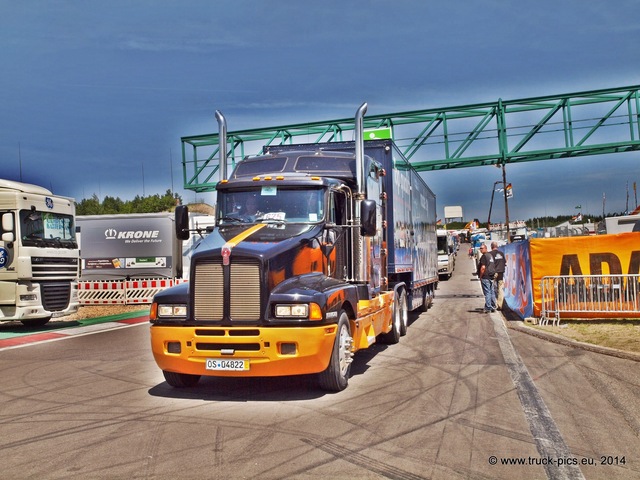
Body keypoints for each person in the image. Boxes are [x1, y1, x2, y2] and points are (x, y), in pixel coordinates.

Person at [477, 244, 496, 313]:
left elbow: (483, 268)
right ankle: (493, 305)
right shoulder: (490, 256)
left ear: (485, 248)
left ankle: (488, 307)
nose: (481, 250)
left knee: (487, 292)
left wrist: (481, 276)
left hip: (486, 276)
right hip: (491, 276)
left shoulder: (484, 256)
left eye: (482, 248)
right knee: (491, 291)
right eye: (480, 248)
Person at [491, 241, 506, 310]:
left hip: (494, 272)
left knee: (491, 287)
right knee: (500, 288)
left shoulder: (490, 254)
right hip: (501, 271)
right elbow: (504, 262)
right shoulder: (501, 254)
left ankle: (494, 303)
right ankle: (500, 304)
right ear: (497, 247)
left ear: (491, 247)